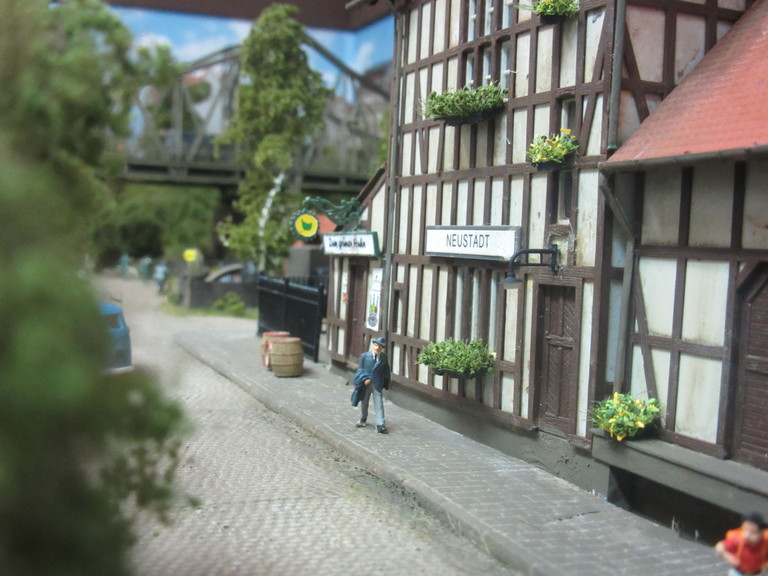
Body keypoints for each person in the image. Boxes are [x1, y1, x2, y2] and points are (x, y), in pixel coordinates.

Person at [353, 336, 391, 434]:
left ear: (382, 348)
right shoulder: (364, 356)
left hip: (378, 383)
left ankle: (380, 424)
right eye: (376, 345)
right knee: (364, 402)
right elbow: (360, 370)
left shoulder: (383, 357)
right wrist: (365, 378)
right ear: (373, 345)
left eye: (380, 346)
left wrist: (386, 381)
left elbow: (386, 370)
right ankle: (363, 419)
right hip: (367, 383)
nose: (377, 348)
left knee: (379, 403)